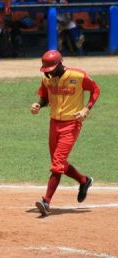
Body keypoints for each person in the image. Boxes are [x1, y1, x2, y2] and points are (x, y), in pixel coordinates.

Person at [30, 50, 100, 216]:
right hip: (54, 123)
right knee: (58, 162)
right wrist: (38, 104)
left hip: (71, 124)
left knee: (57, 164)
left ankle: (46, 201)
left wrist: (86, 109)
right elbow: (44, 97)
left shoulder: (78, 75)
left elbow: (95, 90)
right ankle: (84, 181)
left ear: (60, 64)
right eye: (46, 70)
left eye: (51, 69)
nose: (49, 73)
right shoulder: (47, 79)